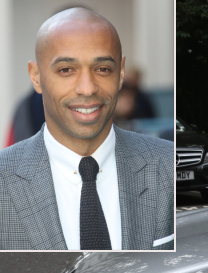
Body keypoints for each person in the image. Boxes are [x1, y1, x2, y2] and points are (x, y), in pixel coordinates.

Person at [0, 8, 173, 250]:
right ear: (36, 76)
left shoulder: (168, 166)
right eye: (66, 70)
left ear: (121, 73)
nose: (87, 88)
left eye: (102, 69)